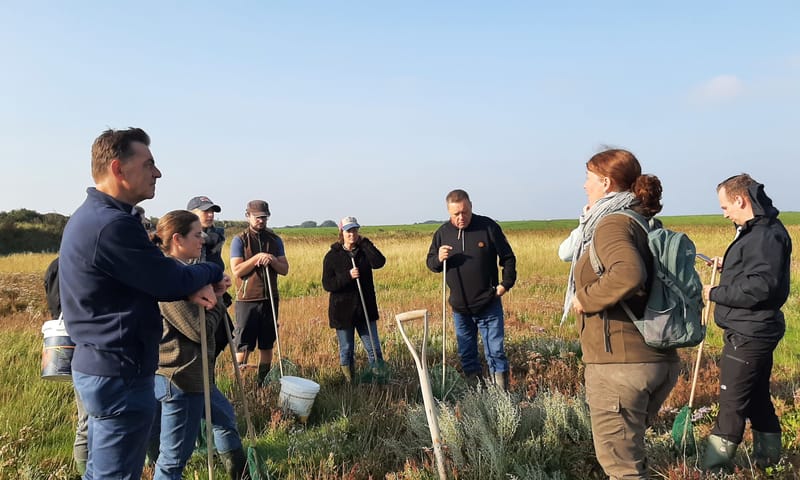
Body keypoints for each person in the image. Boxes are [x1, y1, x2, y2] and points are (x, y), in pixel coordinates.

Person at [58, 127, 227, 480]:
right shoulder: (111, 225)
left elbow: (151, 275)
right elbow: (168, 279)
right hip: (119, 371)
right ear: (119, 169)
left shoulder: (97, 218)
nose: (158, 173)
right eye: (149, 163)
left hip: (106, 366)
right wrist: (211, 270)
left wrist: (183, 285)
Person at [566, 149, 680, 479]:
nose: (584, 185)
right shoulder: (640, 220)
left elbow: (629, 274)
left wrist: (585, 299)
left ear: (605, 182)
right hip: (655, 358)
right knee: (632, 459)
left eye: (588, 178)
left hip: (621, 364)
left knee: (623, 469)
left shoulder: (611, 223)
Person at [701, 174, 791, 471]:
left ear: (740, 199)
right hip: (753, 328)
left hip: (749, 331)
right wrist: (729, 265)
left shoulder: (765, 235)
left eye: (725, 206)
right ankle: (770, 461)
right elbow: (755, 269)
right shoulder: (757, 230)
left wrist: (714, 292)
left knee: (731, 404)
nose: (724, 212)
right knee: (756, 396)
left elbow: (761, 286)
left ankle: (715, 470)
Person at [151, 210, 247, 480]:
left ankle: (240, 473)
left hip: (196, 374)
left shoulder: (185, 273)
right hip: (180, 377)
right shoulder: (171, 279)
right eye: (197, 235)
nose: (203, 239)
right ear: (178, 239)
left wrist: (214, 294)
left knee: (225, 418)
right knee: (173, 459)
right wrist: (217, 301)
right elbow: (199, 329)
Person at [425, 189, 516, 390]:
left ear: (471, 206)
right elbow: (431, 264)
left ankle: (501, 397)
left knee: (495, 352)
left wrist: (505, 284)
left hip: (489, 304)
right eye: (455, 214)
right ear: (448, 212)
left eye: (464, 212)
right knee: (467, 355)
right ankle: (476, 397)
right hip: (460, 309)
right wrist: (438, 258)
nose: (461, 218)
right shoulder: (442, 234)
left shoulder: (488, 227)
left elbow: (508, 258)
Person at [322, 216, 387, 383]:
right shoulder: (332, 256)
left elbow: (380, 262)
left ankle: (379, 382)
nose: (352, 234)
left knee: (374, 349)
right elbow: (327, 284)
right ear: (342, 232)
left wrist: (366, 244)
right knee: (347, 349)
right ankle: (350, 383)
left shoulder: (364, 251)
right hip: (343, 312)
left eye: (355, 230)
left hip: (366, 309)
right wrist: (348, 276)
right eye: (349, 230)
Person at [231, 200, 290, 384]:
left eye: (264, 217)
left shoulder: (274, 240)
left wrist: (271, 260)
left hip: (270, 298)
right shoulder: (239, 240)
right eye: (257, 217)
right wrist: (256, 258)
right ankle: (239, 382)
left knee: (267, 342)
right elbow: (237, 270)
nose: (261, 221)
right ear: (248, 216)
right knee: (243, 343)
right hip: (247, 299)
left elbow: (284, 269)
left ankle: (262, 381)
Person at [188, 195, 234, 357]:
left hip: (215, 296)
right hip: (193, 299)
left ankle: (209, 375)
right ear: (192, 214)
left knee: (220, 337)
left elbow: (216, 265)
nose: (210, 215)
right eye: (205, 211)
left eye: (212, 211)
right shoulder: (185, 240)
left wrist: (221, 277)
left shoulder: (216, 238)